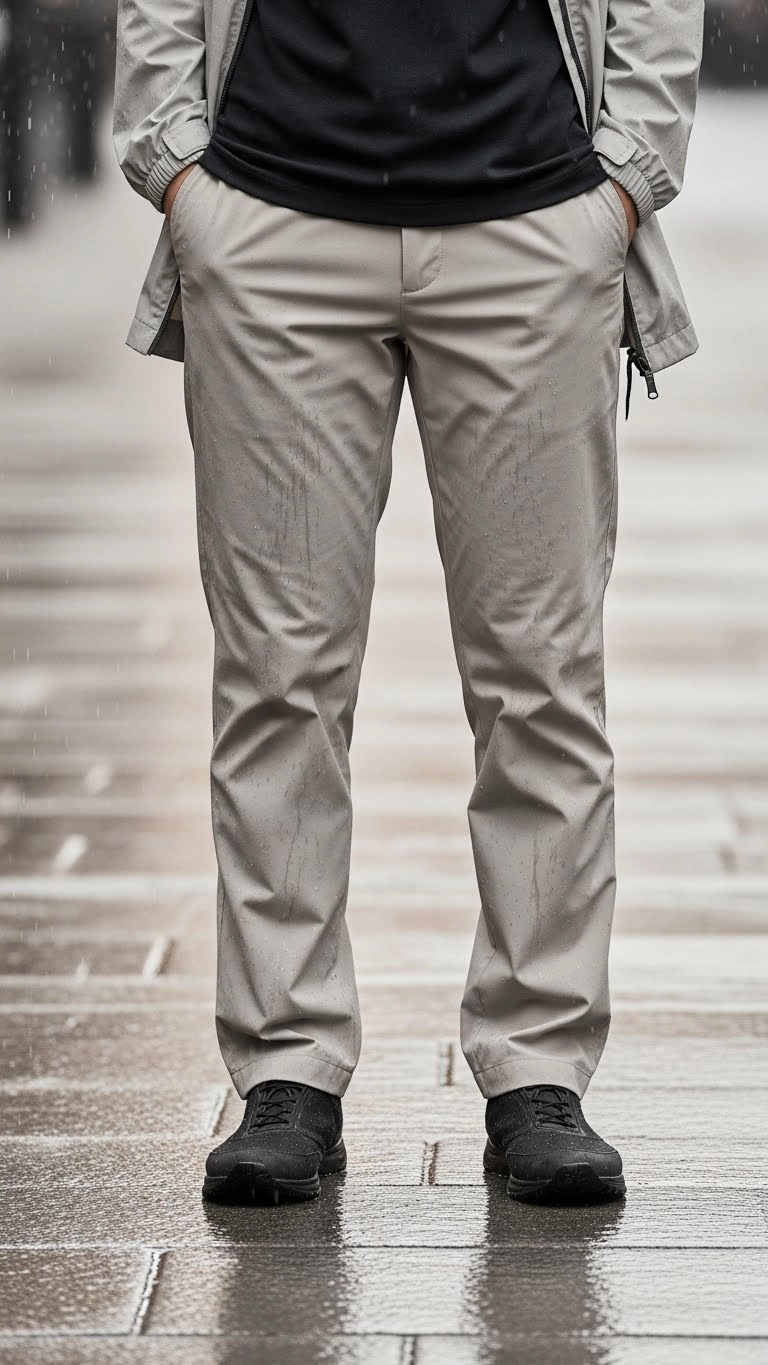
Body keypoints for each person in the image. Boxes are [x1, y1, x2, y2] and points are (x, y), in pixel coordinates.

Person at [114, 0, 704, 1206]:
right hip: (270, 218)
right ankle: (287, 1069)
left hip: (535, 218)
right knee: (280, 679)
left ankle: (538, 1071)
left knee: (540, 677)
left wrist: (626, 183)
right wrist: (177, 166)